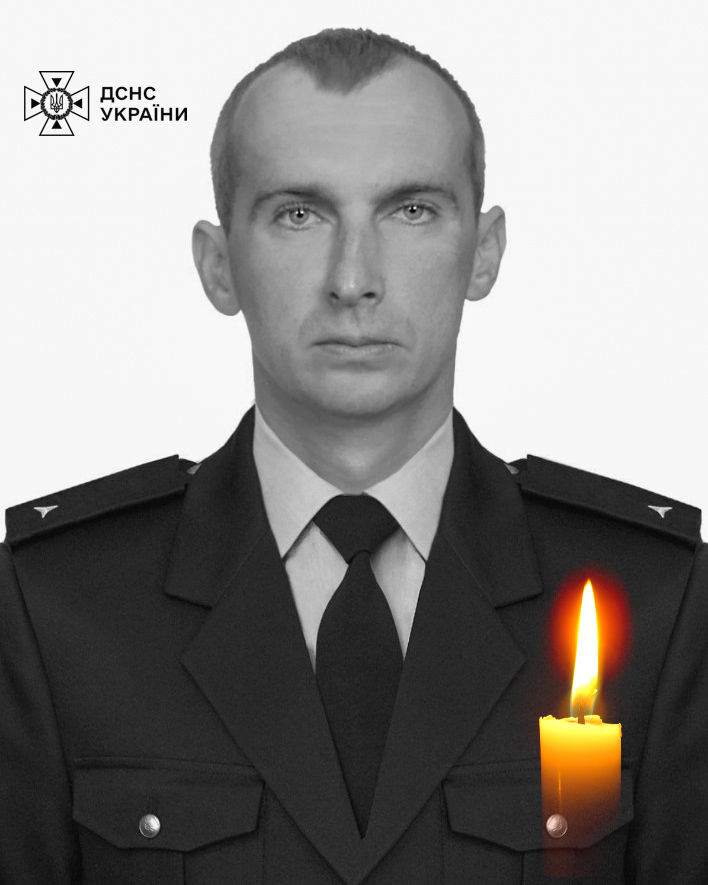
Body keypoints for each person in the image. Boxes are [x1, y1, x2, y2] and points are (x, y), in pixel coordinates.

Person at [1, 27, 706, 885]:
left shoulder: (658, 598)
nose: (353, 278)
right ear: (218, 266)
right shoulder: (56, 605)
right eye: (299, 215)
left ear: (484, 253)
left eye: (411, 211)